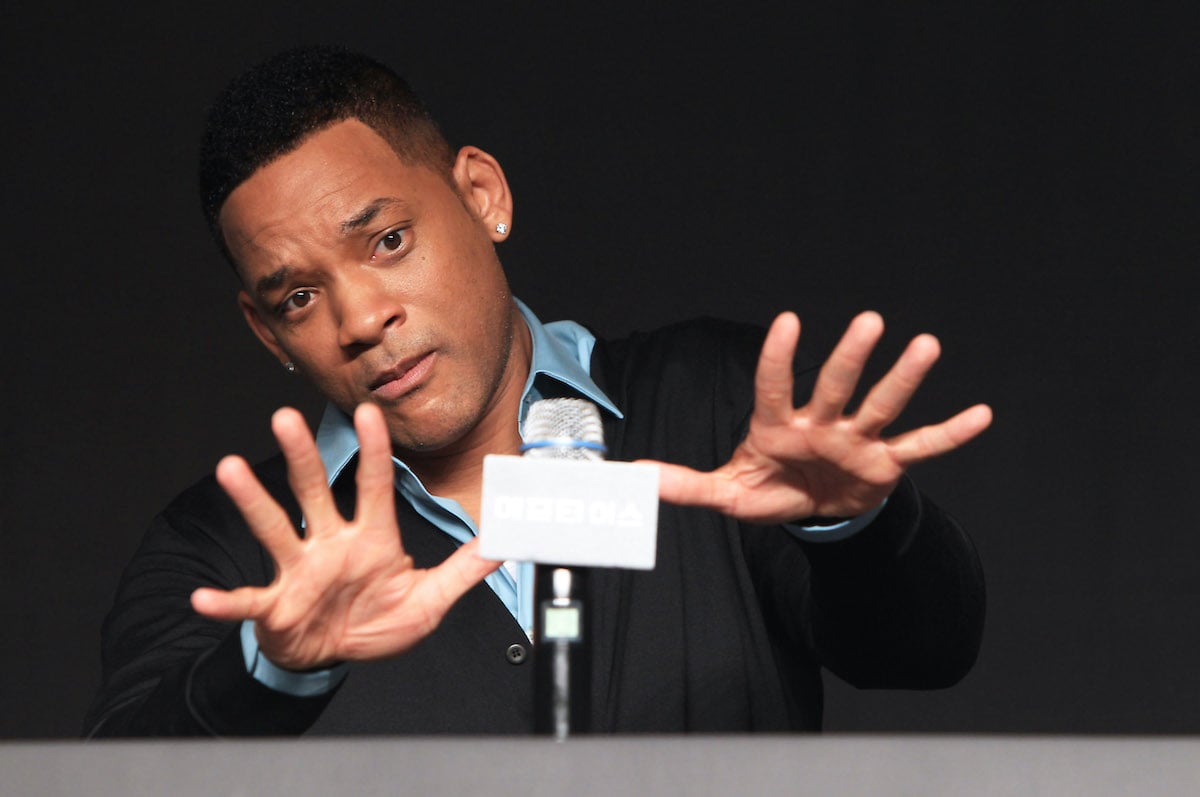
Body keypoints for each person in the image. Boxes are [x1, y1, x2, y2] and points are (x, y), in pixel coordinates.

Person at [84, 45, 992, 736]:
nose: (359, 318)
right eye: (300, 296)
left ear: (482, 195)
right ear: (265, 329)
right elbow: (113, 778)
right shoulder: (220, 548)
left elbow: (926, 651)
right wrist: (273, 665)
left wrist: (854, 525)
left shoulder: (722, 404)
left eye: (388, 241)